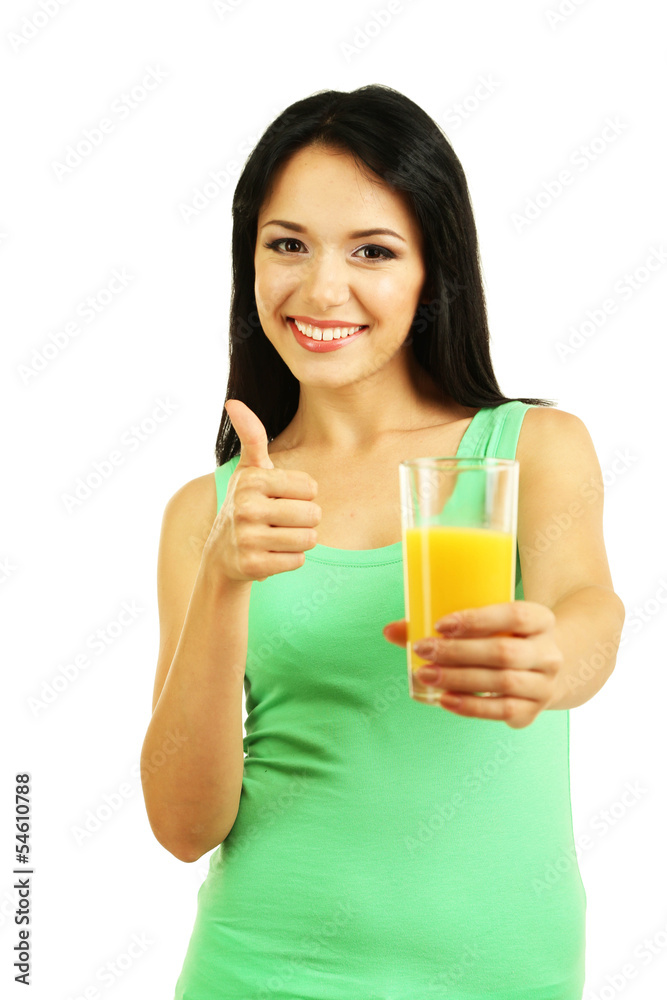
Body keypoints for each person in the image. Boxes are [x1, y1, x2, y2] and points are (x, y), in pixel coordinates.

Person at [140, 85, 625, 1000]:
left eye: (372, 250)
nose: (323, 289)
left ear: (432, 269)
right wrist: (224, 578)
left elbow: (589, 611)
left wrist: (547, 660)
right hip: (261, 972)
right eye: (288, 245)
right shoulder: (205, 512)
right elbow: (179, 824)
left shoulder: (526, 450)